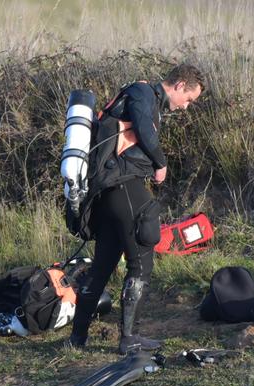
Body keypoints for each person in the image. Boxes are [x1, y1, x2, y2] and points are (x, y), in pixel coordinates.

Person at [68, 64, 205, 354]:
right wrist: (160, 162)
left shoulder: (140, 95)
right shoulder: (143, 93)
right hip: (121, 186)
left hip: (106, 193)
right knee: (142, 259)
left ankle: (77, 338)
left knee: (103, 265)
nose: (186, 108)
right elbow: (143, 127)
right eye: (189, 100)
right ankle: (129, 337)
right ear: (180, 85)